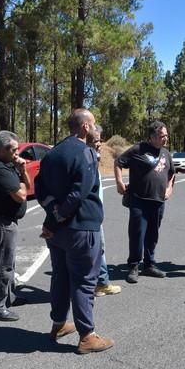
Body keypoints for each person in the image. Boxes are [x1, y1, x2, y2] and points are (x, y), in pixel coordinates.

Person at [35, 109, 113, 354]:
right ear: (86, 127)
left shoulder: (52, 154)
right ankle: (87, 335)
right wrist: (58, 217)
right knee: (83, 281)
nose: (95, 127)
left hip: (58, 233)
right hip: (82, 228)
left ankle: (58, 324)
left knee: (60, 276)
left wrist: (52, 218)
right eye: (94, 123)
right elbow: (79, 194)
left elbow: (39, 189)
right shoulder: (87, 153)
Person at [114, 121, 175, 284]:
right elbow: (119, 162)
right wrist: (119, 182)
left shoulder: (166, 153)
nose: (165, 139)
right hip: (138, 201)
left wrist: (170, 189)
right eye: (162, 136)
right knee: (137, 234)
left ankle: (149, 264)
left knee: (152, 234)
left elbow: (171, 174)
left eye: (166, 135)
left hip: (158, 201)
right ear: (152, 137)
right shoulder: (138, 149)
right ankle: (133, 266)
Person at [0, 131, 31, 321]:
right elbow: (21, 195)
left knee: (9, 262)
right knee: (3, 265)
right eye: (14, 149)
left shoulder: (7, 164)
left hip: (6, 220)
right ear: (1, 150)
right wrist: (21, 185)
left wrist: (23, 170)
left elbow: (27, 187)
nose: (18, 153)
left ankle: (9, 296)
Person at [89, 124, 122, 297]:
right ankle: (100, 283)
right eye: (95, 140)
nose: (99, 143)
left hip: (96, 212)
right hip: (90, 214)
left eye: (100, 140)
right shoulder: (86, 158)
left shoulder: (94, 156)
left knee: (98, 248)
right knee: (96, 248)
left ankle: (99, 283)